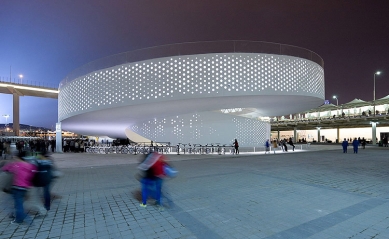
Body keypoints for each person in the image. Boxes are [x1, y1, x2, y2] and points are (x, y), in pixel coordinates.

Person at [1, 151, 37, 224]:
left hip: (17, 187)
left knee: (17, 204)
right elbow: (33, 175)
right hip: (25, 188)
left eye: (15, 157)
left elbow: (5, 169)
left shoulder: (16, 165)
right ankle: (17, 215)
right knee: (19, 203)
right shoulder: (30, 165)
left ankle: (20, 219)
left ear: (18, 157)